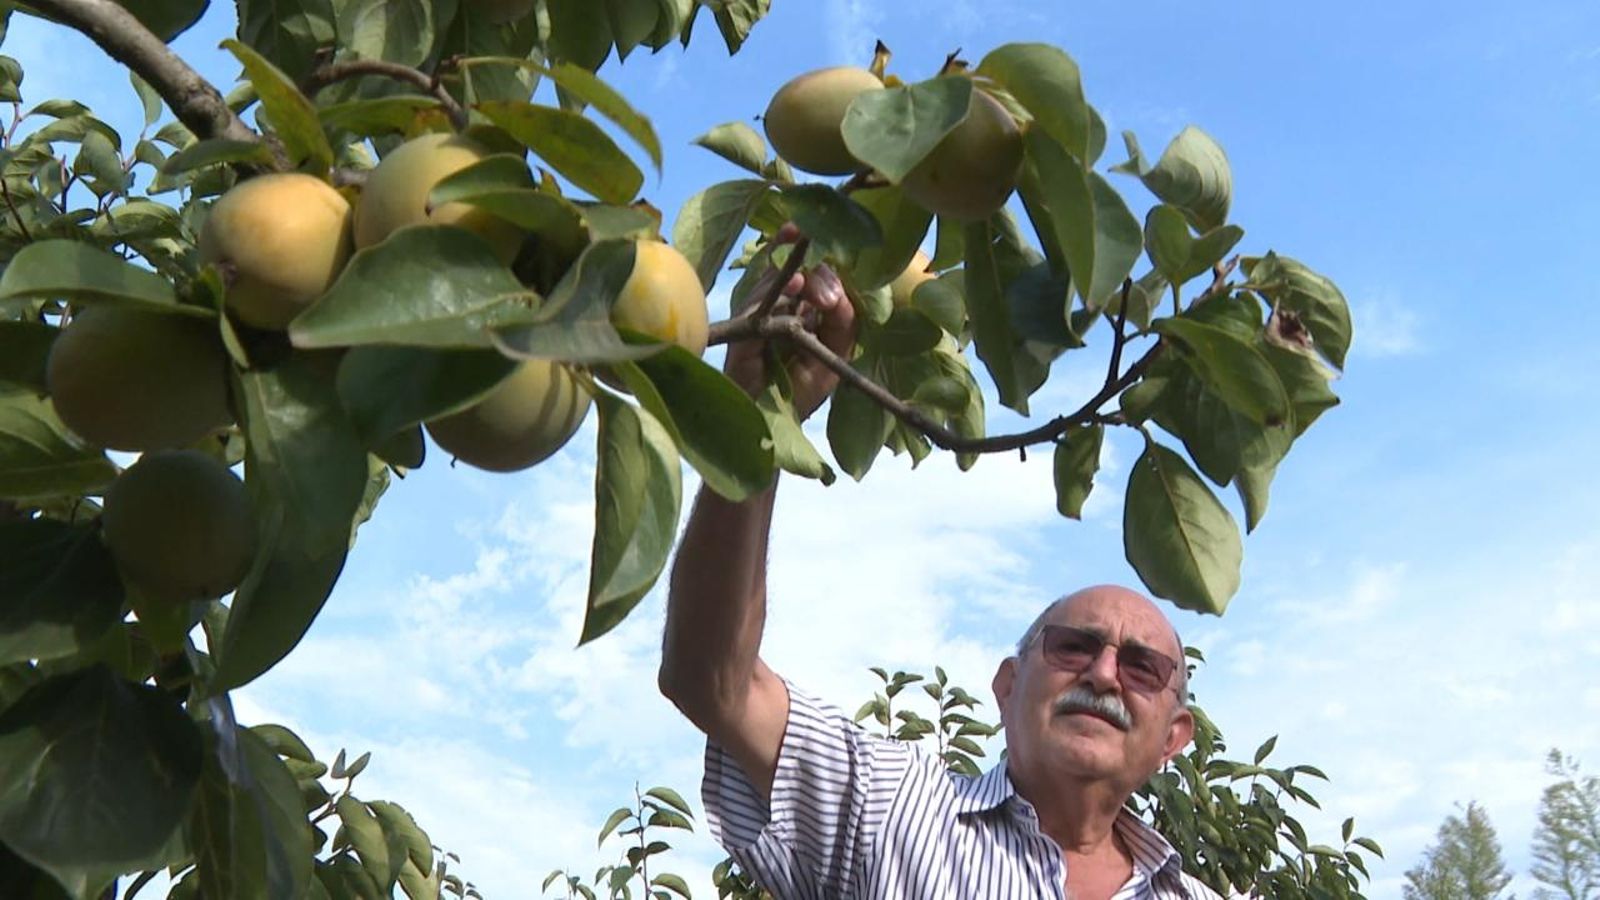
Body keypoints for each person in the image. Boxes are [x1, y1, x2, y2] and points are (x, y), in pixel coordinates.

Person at [658, 228, 1222, 900]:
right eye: (1074, 647)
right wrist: (755, 418)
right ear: (1008, 687)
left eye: (1141, 667)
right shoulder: (890, 807)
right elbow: (710, 681)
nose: (1103, 674)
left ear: (1175, 736)